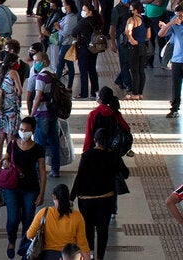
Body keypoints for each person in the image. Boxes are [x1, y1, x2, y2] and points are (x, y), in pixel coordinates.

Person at [71, 128, 122, 260]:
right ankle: (100, 257)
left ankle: (91, 255)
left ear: (95, 140)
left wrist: (71, 197)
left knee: (88, 230)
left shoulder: (87, 155)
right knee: (102, 230)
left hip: (86, 200)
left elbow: (79, 176)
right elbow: (125, 173)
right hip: (106, 199)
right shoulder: (112, 155)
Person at [0, 117, 46, 259]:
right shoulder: (12, 144)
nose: (23, 132)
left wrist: (42, 193)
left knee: (28, 218)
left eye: (26, 130)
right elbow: (6, 157)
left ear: (33, 131)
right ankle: (11, 242)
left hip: (31, 188)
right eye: (21, 129)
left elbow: (42, 171)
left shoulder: (38, 149)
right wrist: (5, 160)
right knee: (13, 218)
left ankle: (24, 245)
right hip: (12, 186)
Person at [26, 184, 90, 259]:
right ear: (68, 197)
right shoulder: (77, 216)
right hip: (69, 256)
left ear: (53, 196)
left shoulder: (44, 213)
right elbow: (82, 244)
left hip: (48, 256)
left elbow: (29, 235)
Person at [30, 52, 61, 177]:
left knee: (39, 144)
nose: (35, 64)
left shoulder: (41, 77)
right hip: (53, 112)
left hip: (42, 113)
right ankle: (55, 169)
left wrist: (32, 113)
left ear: (43, 61)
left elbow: (38, 97)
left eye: (37, 61)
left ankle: (38, 170)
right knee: (54, 143)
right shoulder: (53, 74)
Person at [0, 53, 23, 169]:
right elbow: (20, 91)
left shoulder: (0, 71)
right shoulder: (13, 72)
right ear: (12, 63)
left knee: (1, 136)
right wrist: (14, 90)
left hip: (2, 108)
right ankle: (10, 161)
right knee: (11, 137)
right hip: (12, 108)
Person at [83, 86, 130, 152]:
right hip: (112, 150)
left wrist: (86, 152)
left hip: (96, 150)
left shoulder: (93, 114)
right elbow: (126, 128)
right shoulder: (116, 113)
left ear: (100, 98)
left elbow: (89, 135)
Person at [71, 3, 103, 99]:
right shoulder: (98, 20)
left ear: (90, 11)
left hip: (84, 48)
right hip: (94, 48)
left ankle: (84, 93)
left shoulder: (83, 22)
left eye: (84, 10)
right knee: (92, 69)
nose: (82, 12)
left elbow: (74, 32)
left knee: (83, 71)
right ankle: (95, 91)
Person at [159, 3, 183, 118]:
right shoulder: (175, 21)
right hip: (177, 59)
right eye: (178, 15)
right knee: (175, 85)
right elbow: (160, 34)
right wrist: (171, 23)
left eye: (181, 15)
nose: (179, 18)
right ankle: (174, 108)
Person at [124, 1, 151, 100]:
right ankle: (140, 93)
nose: (130, 11)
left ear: (135, 10)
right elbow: (148, 36)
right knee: (141, 71)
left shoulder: (132, 19)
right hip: (143, 46)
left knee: (134, 71)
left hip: (134, 47)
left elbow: (127, 30)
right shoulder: (146, 20)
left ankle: (134, 94)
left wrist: (132, 40)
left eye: (131, 9)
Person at [54, 0, 78, 89]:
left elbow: (66, 32)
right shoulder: (67, 16)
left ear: (68, 6)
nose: (62, 6)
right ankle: (69, 86)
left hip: (67, 44)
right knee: (69, 64)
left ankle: (56, 85)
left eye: (64, 4)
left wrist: (58, 28)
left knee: (60, 64)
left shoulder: (70, 18)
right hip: (65, 43)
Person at [110, 0, 132, 92]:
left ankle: (119, 79)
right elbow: (112, 28)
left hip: (132, 38)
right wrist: (113, 43)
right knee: (124, 61)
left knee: (131, 61)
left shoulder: (133, 6)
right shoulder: (117, 9)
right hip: (122, 39)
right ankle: (128, 83)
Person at [143, 0, 167, 68]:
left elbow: (159, 3)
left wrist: (148, 1)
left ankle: (163, 61)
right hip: (148, 17)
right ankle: (149, 62)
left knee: (161, 40)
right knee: (149, 40)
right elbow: (142, 1)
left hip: (159, 17)